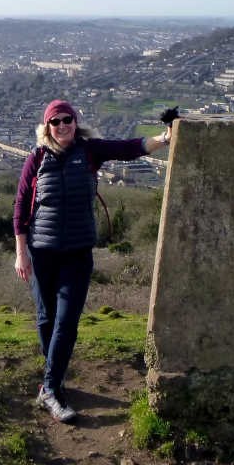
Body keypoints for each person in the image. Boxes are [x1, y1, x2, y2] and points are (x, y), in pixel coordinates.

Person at [13, 99, 172, 423]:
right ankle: (53, 381)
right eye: (55, 122)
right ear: (47, 127)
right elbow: (20, 208)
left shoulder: (89, 151)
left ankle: (50, 389)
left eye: (67, 119)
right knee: (46, 318)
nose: (62, 126)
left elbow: (129, 147)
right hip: (41, 252)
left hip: (77, 252)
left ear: (76, 121)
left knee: (66, 322)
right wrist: (21, 253)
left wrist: (164, 138)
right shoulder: (37, 158)